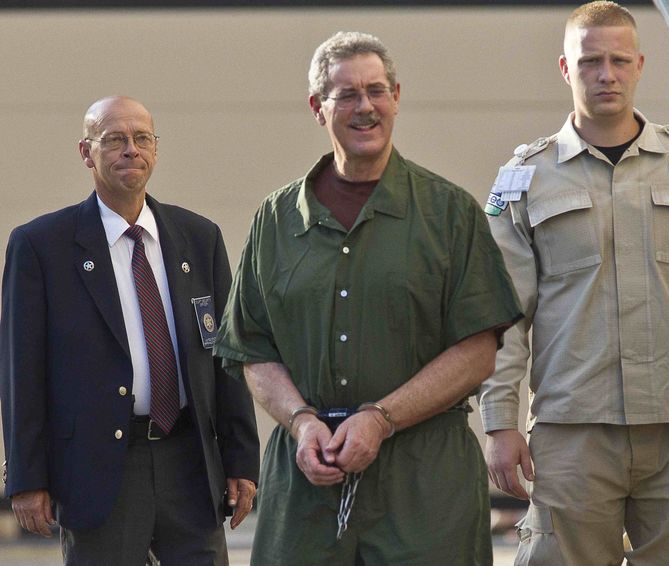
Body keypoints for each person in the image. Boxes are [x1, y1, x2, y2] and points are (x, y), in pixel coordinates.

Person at [214, 31, 522, 565]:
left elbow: (479, 350)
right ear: (317, 108)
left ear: (396, 97)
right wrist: (302, 422)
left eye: (377, 91)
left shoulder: (449, 213)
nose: (365, 107)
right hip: (306, 484)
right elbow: (253, 349)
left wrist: (381, 418)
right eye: (347, 95)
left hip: (426, 487)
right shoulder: (275, 220)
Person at [479, 2, 669, 564]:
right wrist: (499, 423)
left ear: (640, 64)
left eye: (618, 59)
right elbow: (503, 318)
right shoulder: (524, 180)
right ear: (566, 69)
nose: (606, 73)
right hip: (573, 429)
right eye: (590, 60)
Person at [0, 96, 260, 566]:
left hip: (189, 462)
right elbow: (22, 370)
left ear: (156, 151)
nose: (130, 150)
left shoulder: (198, 238)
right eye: (114, 139)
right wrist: (26, 475)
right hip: (99, 469)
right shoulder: (41, 246)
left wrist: (241, 460)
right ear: (86, 152)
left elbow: (224, 356)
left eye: (142, 139)